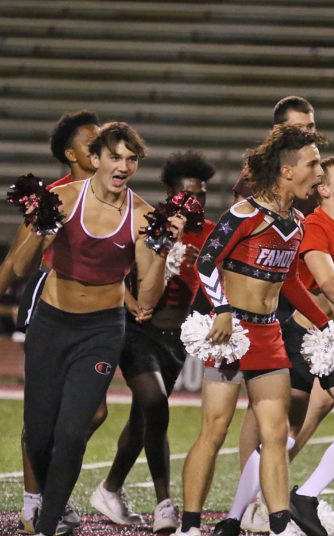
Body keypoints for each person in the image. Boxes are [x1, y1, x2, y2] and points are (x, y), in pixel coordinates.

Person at [11, 122, 185, 536]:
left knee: (72, 433)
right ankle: (43, 506)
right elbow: (20, 268)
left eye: (131, 159)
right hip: (52, 325)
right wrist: (41, 230)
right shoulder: (63, 199)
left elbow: (146, 297)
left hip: (101, 332)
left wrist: (161, 249)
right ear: (97, 159)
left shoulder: (142, 216)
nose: (123, 165)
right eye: (115, 157)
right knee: (38, 436)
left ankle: (48, 524)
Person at [213, 155, 334, 536]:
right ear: (325, 190)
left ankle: (304, 497)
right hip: (304, 336)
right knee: (284, 433)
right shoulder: (312, 225)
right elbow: (328, 285)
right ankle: (234, 517)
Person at [174, 125, 330, 536]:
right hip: (230, 334)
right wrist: (221, 310)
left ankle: (280, 525)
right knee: (215, 429)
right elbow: (206, 262)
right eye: (312, 164)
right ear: (286, 170)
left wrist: (326, 325)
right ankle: (189, 526)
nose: (319, 172)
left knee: (276, 434)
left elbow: (290, 281)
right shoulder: (244, 215)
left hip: (267, 334)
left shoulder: (296, 221)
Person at [89, 151, 217, 532]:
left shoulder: (210, 230)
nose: (195, 203)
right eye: (187, 195)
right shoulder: (149, 222)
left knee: (143, 419)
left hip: (176, 340)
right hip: (137, 330)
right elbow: (116, 269)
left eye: (202, 195)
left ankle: (109, 488)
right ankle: (165, 503)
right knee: (156, 403)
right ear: (170, 194)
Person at [0, 110, 103, 536]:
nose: (100, 152)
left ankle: (53, 492)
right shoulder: (53, 196)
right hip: (51, 306)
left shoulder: (115, 195)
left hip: (101, 313)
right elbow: (15, 262)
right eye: (91, 144)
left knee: (91, 413)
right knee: (43, 414)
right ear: (70, 154)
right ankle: (35, 504)